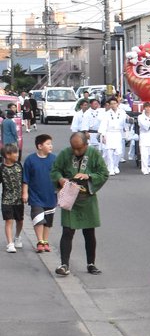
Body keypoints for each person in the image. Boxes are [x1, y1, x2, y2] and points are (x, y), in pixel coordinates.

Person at [51, 132, 108, 277]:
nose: (76, 152)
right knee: (67, 231)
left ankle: (91, 263)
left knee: (89, 232)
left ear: (86, 145)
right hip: (70, 197)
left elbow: (104, 173)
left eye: (79, 148)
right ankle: (64, 264)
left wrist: (89, 176)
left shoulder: (93, 153)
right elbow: (55, 170)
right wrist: (60, 179)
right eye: (73, 148)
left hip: (87, 197)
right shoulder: (65, 153)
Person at [22, 133, 55, 253]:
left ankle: (45, 241)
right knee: (38, 218)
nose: (51, 146)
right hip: (35, 195)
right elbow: (25, 178)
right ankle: (40, 241)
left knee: (48, 221)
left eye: (51, 144)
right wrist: (25, 193)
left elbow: (59, 176)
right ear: (40, 146)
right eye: (48, 144)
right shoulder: (30, 160)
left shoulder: (54, 159)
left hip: (51, 195)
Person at [2, 143, 24, 252]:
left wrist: (25, 193)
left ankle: (17, 237)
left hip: (19, 199)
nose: (17, 155)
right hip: (7, 199)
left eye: (17, 152)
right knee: (8, 221)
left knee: (20, 220)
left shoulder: (19, 165)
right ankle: (10, 244)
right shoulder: (2, 168)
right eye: (15, 153)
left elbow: (24, 180)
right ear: (7, 155)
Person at [97, 97, 124, 176]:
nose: (113, 105)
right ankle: (110, 168)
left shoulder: (122, 112)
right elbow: (103, 125)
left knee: (118, 152)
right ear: (109, 105)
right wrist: (103, 135)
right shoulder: (107, 114)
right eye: (111, 104)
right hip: (109, 133)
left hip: (118, 133)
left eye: (114, 103)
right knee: (109, 152)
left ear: (117, 104)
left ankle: (116, 165)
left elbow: (125, 122)